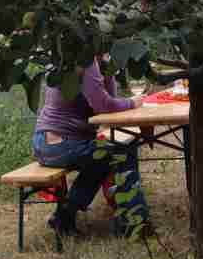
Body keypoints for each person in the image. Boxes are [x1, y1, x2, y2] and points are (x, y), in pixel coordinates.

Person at [31, 57, 153, 239]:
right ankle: (135, 222)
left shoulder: (67, 56)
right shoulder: (85, 60)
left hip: (45, 143)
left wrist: (108, 69)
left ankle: (64, 216)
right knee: (123, 150)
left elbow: (108, 101)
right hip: (61, 144)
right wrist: (132, 102)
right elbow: (104, 106)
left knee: (103, 158)